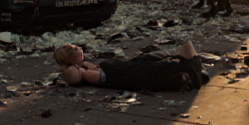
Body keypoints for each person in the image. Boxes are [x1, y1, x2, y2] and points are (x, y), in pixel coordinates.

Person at [54, 42, 206, 92]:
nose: (79, 48)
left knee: (181, 53)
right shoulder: (84, 73)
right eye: (75, 49)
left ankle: (191, 72)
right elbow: (72, 75)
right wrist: (75, 68)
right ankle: (191, 72)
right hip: (136, 73)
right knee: (186, 52)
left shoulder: (87, 67)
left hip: (135, 69)